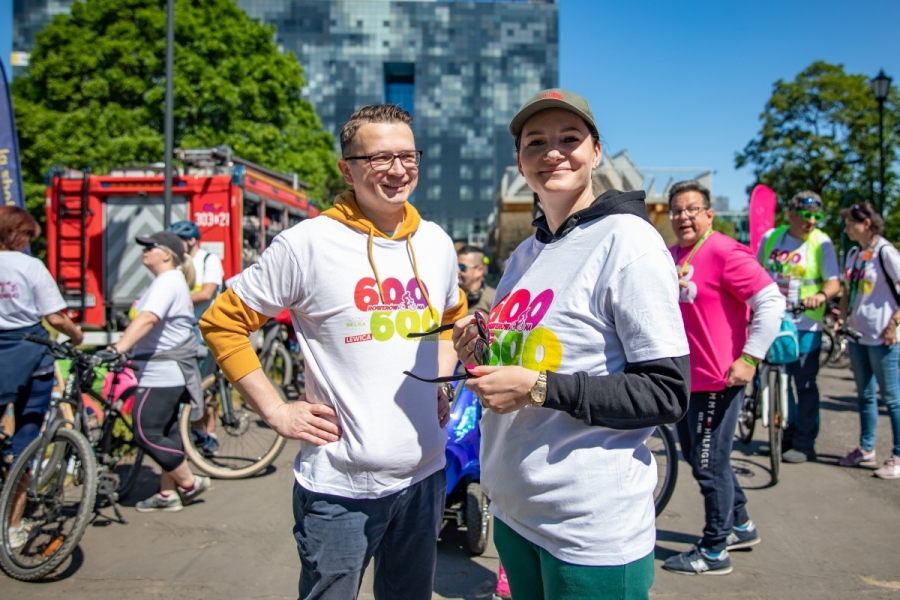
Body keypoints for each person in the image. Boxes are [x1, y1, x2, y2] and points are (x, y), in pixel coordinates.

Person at [201, 104, 466, 599]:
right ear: (347, 169)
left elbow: (452, 317)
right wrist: (276, 410)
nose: (398, 169)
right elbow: (222, 323)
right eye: (379, 157)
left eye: (408, 155)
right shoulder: (307, 244)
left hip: (426, 475)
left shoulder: (436, 243)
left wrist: (443, 381)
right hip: (342, 488)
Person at [452, 89, 690, 599]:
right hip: (516, 514)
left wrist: (538, 387)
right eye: (535, 142)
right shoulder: (524, 254)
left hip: (587, 530)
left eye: (569, 138)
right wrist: (479, 351)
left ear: (596, 152)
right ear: (520, 162)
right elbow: (525, 366)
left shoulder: (628, 241)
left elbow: (666, 392)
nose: (552, 152)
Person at [661, 181, 782, 575]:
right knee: (701, 458)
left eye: (692, 209)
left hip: (719, 379)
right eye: (677, 211)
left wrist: (750, 357)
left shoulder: (726, 251)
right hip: (685, 381)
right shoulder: (672, 255)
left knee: (709, 464)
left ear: (709, 214)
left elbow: (771, 300)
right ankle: (740, 524)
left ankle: (715, 549)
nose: (683, 217)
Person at [0, 206, 83, 549]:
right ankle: (13, 525)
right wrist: (76, 336)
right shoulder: (30, 266)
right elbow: (55, 317)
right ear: (17, 234)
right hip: (29, 353)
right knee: (27, 437)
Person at [111, 230, 210, 512]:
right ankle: (168, 494)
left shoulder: (167, 281)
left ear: (167, 254)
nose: (144, 251)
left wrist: (117, 348)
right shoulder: (169, 281)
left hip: (162, 372)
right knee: (166, 432)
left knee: (145, 432)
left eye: (149, 247)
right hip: (164, 370)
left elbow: (148, 319)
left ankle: (189, 483)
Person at [757, 191, 840, 463]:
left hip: (806, 324)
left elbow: (833, 281)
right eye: (806, 215)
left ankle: (804, 443)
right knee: (778, 379)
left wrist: (821, 296)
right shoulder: (772, 238)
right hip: (774, 320)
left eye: (817, 216)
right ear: (791, 215)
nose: (812, 221)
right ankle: (784, 436)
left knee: (803, 384)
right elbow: (756, 271)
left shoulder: (821, 242)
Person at [837, 202, 900, 479]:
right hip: (858, 335)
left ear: (866, 224)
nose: (847, 229)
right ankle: (866, 448)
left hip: (882, 337)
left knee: (892, 398)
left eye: (850, 223)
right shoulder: (855, 254)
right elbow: (847, 290)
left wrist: (894, 324)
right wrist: (843, 319)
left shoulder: (886, 252)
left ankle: (898, 455)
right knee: (864, 395)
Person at [168, 219, 224, 454]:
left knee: (205, 385)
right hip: (182, 332)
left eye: (178, 241)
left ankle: (209, 434)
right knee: (186, 385)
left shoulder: (209, 261)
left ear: (191, 240)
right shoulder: (177, 263)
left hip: (205, 331)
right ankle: (192, 431)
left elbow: (208, 292)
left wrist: (173, 301)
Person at [457, 245, 495, 316]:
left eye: (462, 267)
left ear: (479, 270)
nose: (457, 271)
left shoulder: (494, 299)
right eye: (455, 266)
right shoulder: (451, 296)